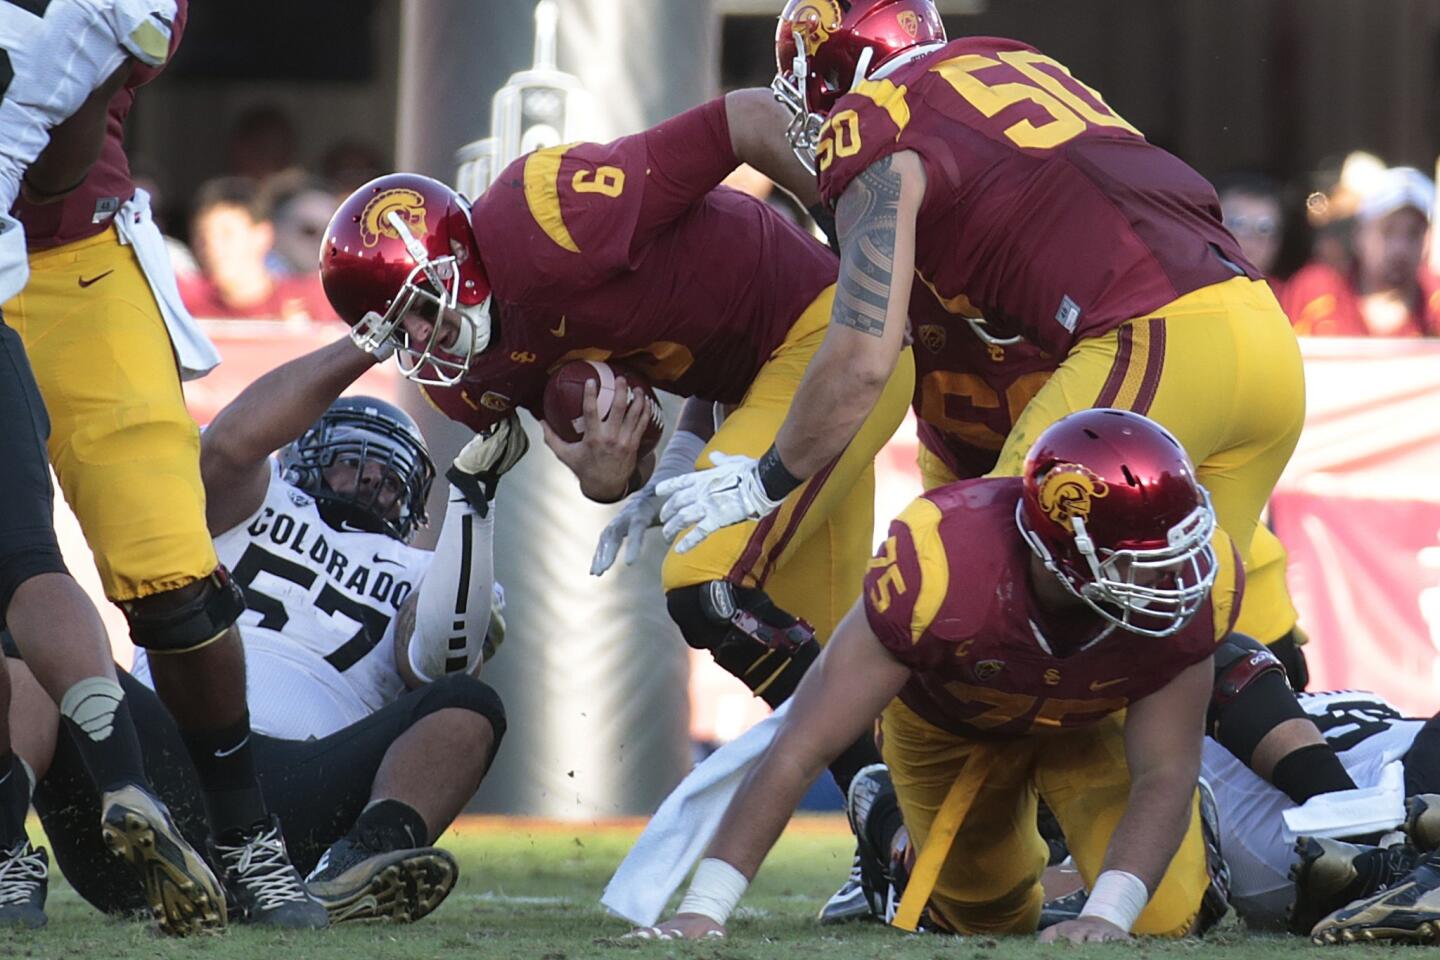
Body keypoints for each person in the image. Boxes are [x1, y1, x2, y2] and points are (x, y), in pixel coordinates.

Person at [318, 94, 917, 911]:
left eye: (421, 308)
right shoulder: (474, 379)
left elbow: (743, 118)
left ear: (454, 253)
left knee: (705, 584)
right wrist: (614, 479)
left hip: (829, 339)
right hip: (742, 393)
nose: (421, 342)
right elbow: (618, 457)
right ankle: (928, 842)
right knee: (850, 646)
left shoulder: (549, 213)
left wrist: (857, 233)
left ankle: (881, 810)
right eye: (398, 333)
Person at [657, 2, 1305, 682]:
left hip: (1154, 336)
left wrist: (763, 482)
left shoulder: (872, 121)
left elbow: (860, 361)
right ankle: (1323, 780)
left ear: (835, 69)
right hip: (1261, 334)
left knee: (997, 583)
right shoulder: (1013, 60)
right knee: (1170, 636)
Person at [639, 409, 1239, 943]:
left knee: (1160, 918)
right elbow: (802, 743)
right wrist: (704, 908)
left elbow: (1166, 770)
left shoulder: (1191, 590)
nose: (1170, 577)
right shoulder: (941, 567)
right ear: (1063, 543)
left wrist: (1107, 915)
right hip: (952, 726)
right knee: (985, 918)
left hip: (1090, 723)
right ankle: (885, 829)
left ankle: (1162, 858)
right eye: (1137, 558)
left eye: (1173, 549)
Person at [6, 333, 521, 925]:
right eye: (354, 462)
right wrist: (370, 344)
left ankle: (353, 866)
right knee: (29, 643)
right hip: (158, 762)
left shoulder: (429, 569)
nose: (372, 483)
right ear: (307, 453)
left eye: (388, 476)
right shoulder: (250, 498)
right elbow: (229, 444)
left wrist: (472, 506)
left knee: (469, 705)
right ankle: (3, 849)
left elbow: (436, 665)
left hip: (302, 797)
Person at [0, 0, 259, 935]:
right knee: (15, 566)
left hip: (72, 263)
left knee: (173, 585)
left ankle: (245, 837)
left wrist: (102, 51)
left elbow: (60, 161)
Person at [1283, 166, 1438, 338]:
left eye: (1414, 233)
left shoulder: (1436, 299)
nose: (1400, 247)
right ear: (1359, 234)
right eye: (1388, 231)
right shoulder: (1315, 291)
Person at [179, 176, 336, 322]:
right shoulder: (184, 304)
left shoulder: (313, 300)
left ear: (262, 235)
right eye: (202, 234)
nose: (212, 245)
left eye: (226, 233)